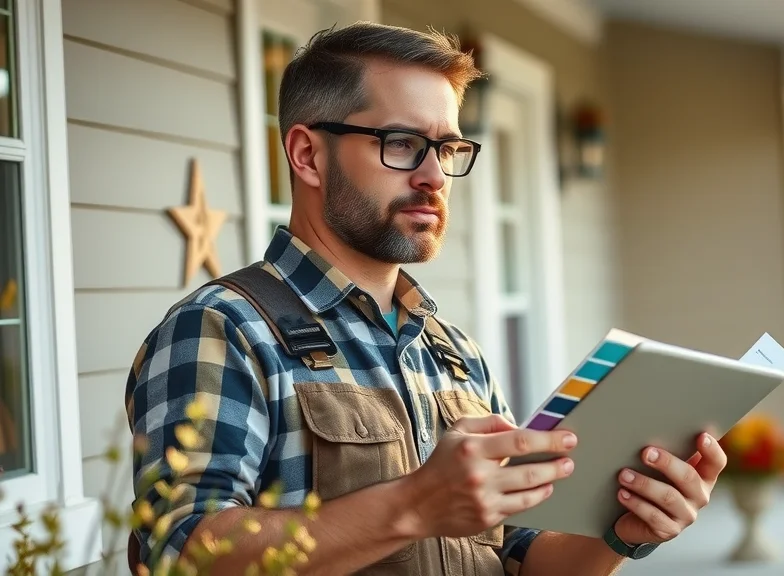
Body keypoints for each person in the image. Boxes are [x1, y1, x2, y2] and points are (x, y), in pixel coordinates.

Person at [124, 21, 727, 576]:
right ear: (307, 155)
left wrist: (620, 533)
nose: (434, 176)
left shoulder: (456, 353)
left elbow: (518, 552)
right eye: (401, 142)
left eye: (447, 149)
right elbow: (179, 552)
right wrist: (412, 505)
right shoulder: (222, 329)